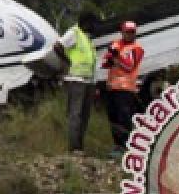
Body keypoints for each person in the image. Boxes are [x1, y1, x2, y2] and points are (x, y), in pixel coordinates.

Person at [53, 10, 99, 153]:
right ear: (86, 23)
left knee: (85, 115)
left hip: (88, 81)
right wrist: (68, 61)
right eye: (92, 23)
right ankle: (74, 147)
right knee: (76, 114)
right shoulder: (74, 33)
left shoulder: (86, 37)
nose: (94, 26)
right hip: (76, 80)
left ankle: (80, 146)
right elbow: (57, 46)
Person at [102, 20, 145, 158]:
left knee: (124, 118)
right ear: (122, 32)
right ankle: (118, 145)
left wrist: (116, 57)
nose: (130, 35)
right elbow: (105, 63)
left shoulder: (137, 48)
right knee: (113, 117)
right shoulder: (116, 44)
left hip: (126, 89)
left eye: (132, 32)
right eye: (127, 32)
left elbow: (129, 66)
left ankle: (127, 146)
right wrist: (111, 57)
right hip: (112, 86)